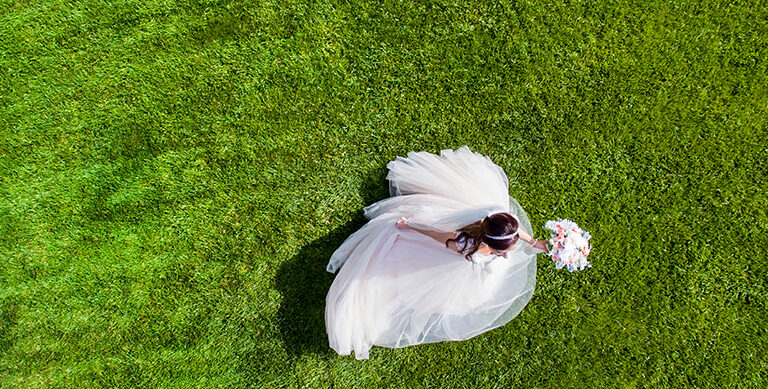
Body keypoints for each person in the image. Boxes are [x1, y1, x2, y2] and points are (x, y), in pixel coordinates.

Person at [325, 146, 549, 360]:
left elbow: (515, 230)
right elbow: (434, 234)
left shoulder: (499, 219)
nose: (514, 247)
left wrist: (534, 241)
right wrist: (409, 226)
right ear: (488, 244)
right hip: (443, 248)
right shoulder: (463, 243)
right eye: (505, 248)